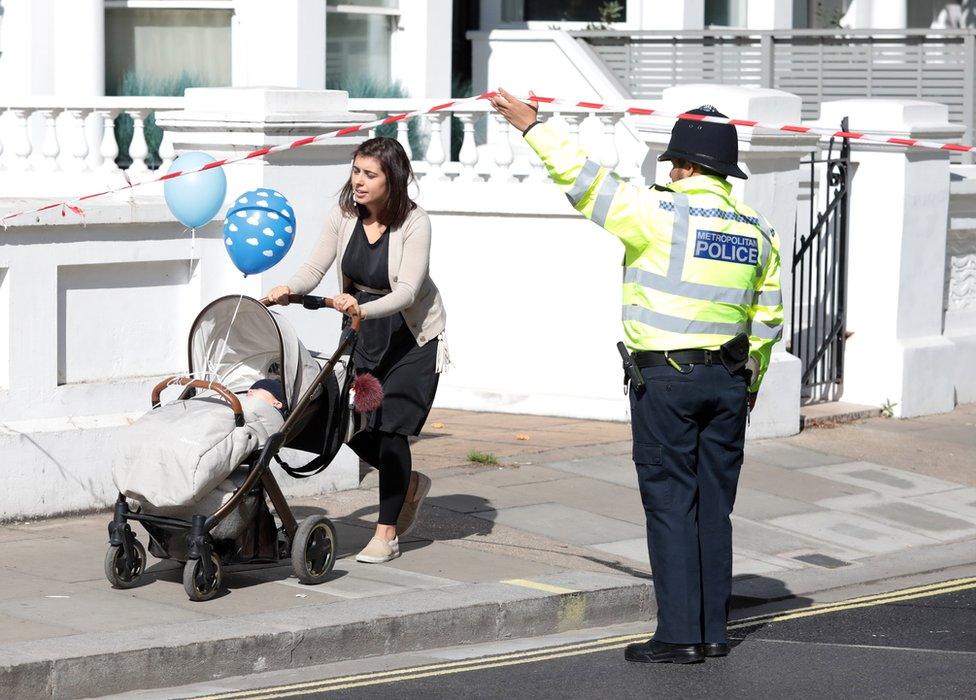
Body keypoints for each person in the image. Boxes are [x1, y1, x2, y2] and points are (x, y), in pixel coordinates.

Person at [490, 89, 783, 663]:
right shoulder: (758, 228)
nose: (668, 170)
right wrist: (749, 384)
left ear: (686, 165)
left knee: (672, 502)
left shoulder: (659, 211)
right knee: (712, 506)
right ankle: (714, 630)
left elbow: (586, 180)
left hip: (667, 381)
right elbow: (769, 319)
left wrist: (533, 127)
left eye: (673, 162)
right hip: (727, 382)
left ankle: (679, 637)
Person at [267, 137, 447, 564]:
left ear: (393, 179)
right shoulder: (344, 215)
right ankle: (406, 481)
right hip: (363, 331)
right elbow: (315, 267)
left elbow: (407, 291)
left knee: (391, 429)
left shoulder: (415, 223)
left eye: (370, 174)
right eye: (356, 171)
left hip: (411, 336)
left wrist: (361, 306)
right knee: (349, 426)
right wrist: (288, 288)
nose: (359, 182)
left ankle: (386, 535)